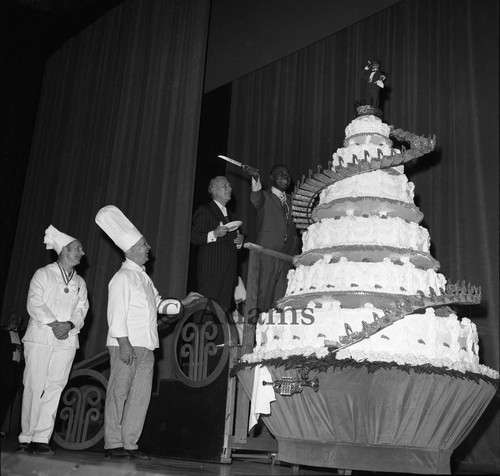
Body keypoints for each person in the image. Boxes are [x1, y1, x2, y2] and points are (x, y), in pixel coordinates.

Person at [95, 205, 202, 460]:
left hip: (147, 346)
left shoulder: (143, 278)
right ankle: (113, 443)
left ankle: (130, 443)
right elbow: (116, 314)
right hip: (127, 344)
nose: (148, 249)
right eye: (144, 245)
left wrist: (183, 303)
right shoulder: (122, 277)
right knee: (118, 393)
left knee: (140, 398)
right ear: (131, 250)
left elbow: (158, 304)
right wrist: (124, 343)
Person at [17, 225, 89, 455]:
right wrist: (54, 324)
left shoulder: (80, 282)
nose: (82, 253)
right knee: (34, 385)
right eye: (78, 249)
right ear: (65, 250)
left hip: (66, 340)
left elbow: (82, 309)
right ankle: (26, 437)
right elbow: (34, 302)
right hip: (41, 337)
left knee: (55, 387)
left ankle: (41, 438)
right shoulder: (43, 274)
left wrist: (67, 326)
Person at [244, 164, 301, 313]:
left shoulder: (293, 201)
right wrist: (256, 178)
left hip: (286, 261)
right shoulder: (265, 197)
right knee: (262, 301)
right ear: (271, 178)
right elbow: (256, 198)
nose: (285, 176)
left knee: (280, 306)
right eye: (280, 173)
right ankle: (255, 334)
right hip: (267, 257)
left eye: (287, 174)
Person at [191, 176, 244, 313]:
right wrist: (213, 234)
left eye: (230, 186)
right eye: (225, 186)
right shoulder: (205, 210)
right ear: (212, 189)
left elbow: (230, 242)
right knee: (207, 313)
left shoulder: (230, 216)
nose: (230, 189)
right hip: (211, 272)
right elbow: (195, 237)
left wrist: (238, 242)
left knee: (223, 315)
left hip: (229, 272)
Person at [0, 311, 25, 438]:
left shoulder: (21, 335)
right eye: (14, 319)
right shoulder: (2, 332)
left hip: (15, 369)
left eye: (18, 321)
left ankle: (3, 429)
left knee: (8, 398)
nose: (15, 322)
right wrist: (14, 347)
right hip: (4, 368)